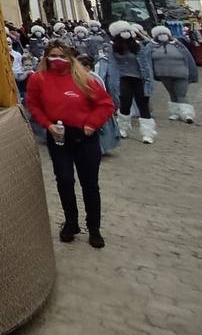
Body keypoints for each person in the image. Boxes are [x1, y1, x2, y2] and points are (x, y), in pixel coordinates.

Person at [26, 41, 115, 248]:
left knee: (89, 184)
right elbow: (34, 105)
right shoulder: (38, 79)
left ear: (70, 58)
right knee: (64, 181)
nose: (57, 60)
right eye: (53, 56)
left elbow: (105, 104)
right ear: (46, 57)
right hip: (58, 136)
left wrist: (92, 124)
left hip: (84, 135)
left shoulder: (83, 78)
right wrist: (47, 125)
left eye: (62, 56)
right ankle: (71, 222)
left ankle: (94, 228)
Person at [105, 20, 156, 143]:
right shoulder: (114, 48)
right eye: (123, 31)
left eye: (127, 31)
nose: (126, 33)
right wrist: (114, 82)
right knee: (125, 104)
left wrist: (148, 82)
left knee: (143, 105)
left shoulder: (138, 46)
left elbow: (145, 65)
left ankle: (147, 133)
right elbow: (113, 65)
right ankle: (123, 128)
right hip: (124, 79)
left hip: (139, 79)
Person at [149, 25, 199, 123]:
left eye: (164, 33)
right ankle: (176, 112)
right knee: (172, 93)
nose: (162, 35)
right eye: (160, 34)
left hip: (181, 73)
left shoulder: (178, 44)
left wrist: (192, 72)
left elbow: (188, 58)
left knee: (181, 94)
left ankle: (187, 114)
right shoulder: (151, 46)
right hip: (164, 74)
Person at [78, 53, 120, 155]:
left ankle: (100, 148)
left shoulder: (95, 78)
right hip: (86, 107)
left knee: (101, 131)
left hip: (95, 107)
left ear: (87, 67)